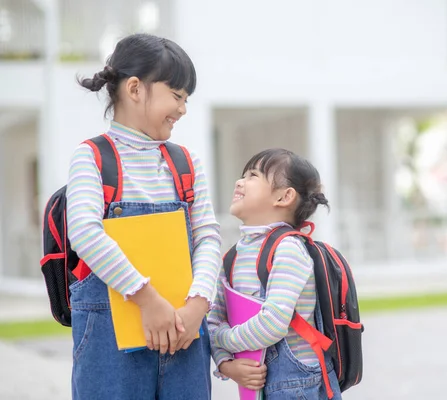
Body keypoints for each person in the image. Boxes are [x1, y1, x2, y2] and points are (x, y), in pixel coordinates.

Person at [66, 33, 220, 400]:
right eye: (177, 96)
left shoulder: (186, 162)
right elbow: (86, 234)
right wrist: (147, 299)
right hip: (111, 343)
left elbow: (208, 237)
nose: (183, 109)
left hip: (185, 334)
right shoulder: (91, 158)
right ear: (135, 89)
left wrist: (198, 304)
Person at [208, 148, 342, 399]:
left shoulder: (288, 249)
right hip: (258, 387)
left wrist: (225, 340)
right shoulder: (232, 255)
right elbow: (214, 317)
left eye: (252, 176)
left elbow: (273, 323)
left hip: (297, 386)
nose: (240, 182)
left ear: (284, 196)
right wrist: (227, 364)